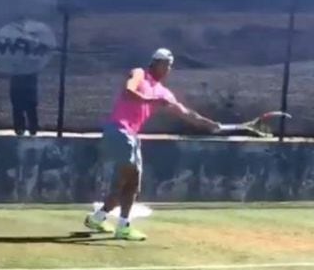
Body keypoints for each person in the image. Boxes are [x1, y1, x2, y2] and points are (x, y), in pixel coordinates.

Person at [85, 48, 222, 241]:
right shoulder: (139, 74)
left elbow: (185, 113)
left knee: (127, 185)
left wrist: (208, 124)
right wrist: (151, 100)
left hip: (131, 135)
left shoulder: (163, 92)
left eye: (170, 65)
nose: (168, 69)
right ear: (155, 63)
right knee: (131, 178)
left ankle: (97, 218)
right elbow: (128, 90)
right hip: (119, 131)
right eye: (165, 64)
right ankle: (123, 226)